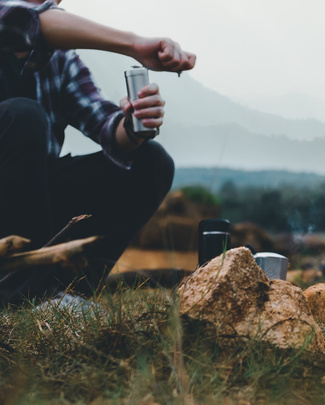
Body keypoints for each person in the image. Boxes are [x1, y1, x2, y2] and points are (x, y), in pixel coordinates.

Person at [0, 0, 196, 303]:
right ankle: (20, 289)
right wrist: (135, 44)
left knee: (150, 161)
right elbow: (23, 20)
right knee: (23, 116)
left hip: (32, 206)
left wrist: (133, 123)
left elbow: (105, 125)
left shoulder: (61, 60)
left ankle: (65, 295)